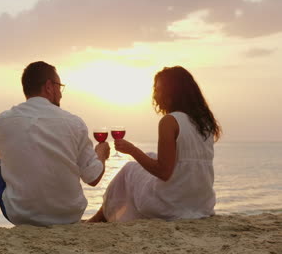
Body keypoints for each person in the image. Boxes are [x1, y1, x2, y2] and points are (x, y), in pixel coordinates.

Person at [0, 61, 110, 230]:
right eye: (59, 86)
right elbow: (93, 177)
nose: (61, 94)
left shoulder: (6, 120)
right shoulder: (74, 122)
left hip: (22, 215)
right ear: (49, 86)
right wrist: (100, 153)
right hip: (70, 215)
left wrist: (4, 158)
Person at [89, 66, 222, 222]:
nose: (155, 95)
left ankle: (101, 217)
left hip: (171, 204)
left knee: (128, 170)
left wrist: (132, 150)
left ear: (172, 93)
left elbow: (163, 172)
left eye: (158, 90)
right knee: (150, 157)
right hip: (201, 205)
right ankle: (105, 215)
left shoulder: (170, 121)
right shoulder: (205, 123)